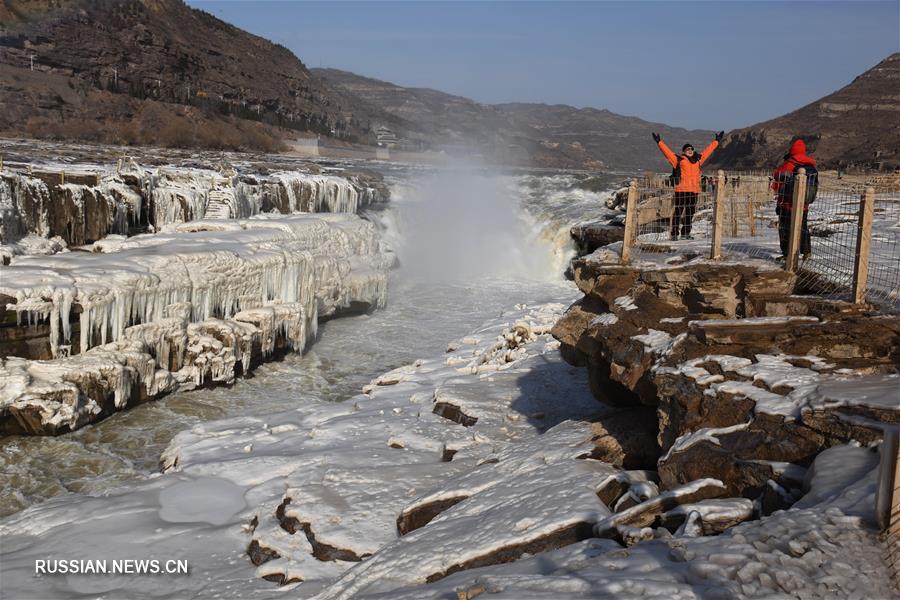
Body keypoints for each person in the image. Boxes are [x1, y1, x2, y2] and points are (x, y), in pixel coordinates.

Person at [653, 130, 724, 240]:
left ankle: (686, 233)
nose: (690, 151)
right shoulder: (679, 160)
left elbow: (708, 151)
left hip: (694, 190)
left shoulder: (698, 160)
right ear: (684, 151)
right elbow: (667, 152)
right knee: (678, 212)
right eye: (687, 149)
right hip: (681, 190)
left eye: (691, 149)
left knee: (690, 213)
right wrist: (659, 142)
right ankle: (674, 234)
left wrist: (716, 141)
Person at [772, 138, 817, 259]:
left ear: (792, 150)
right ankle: (806, 251)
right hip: (803, 204)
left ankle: (788, 253)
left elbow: (776, 179)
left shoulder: (788, 165)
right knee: (803, 227)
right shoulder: (811, 166)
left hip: (787, 203)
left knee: (785, 229)